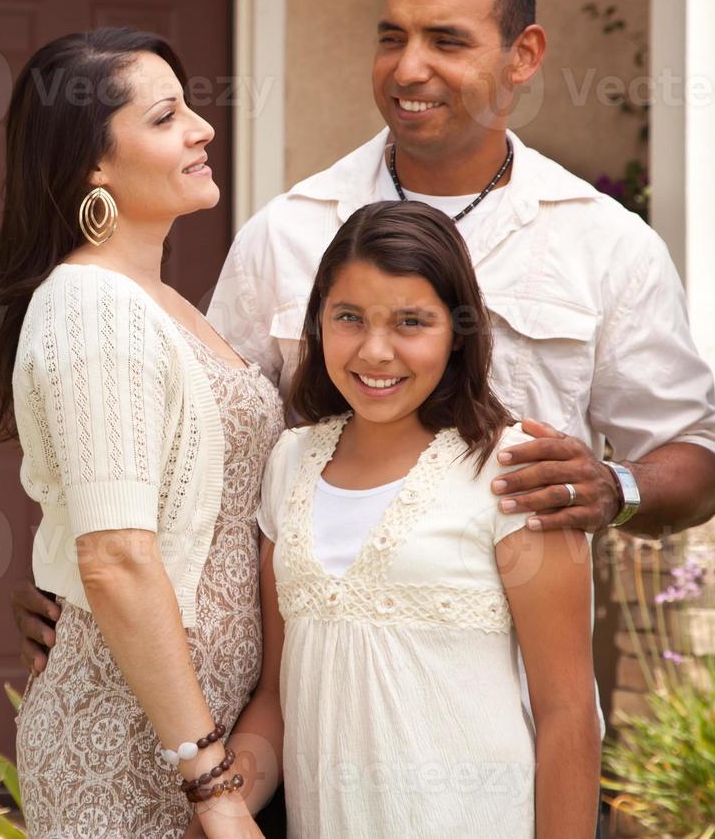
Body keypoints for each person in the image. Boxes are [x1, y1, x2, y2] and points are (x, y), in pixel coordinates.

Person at [12, 0, 715, 680]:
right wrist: (64, 561)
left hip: (515, 711)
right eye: (393, 37)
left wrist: (616, 486)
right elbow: (185, 439)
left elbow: (699, 459)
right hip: (308, 699)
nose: (408, 68)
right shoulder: (287, 232)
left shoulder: (606, 247)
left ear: (524, 56)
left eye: (446, 42)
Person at [0, 27, 282, 837]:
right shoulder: (90, 304)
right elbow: (113, 557)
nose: (202, 129)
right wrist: (210, 784)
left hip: (199, 737)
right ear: (93, 165)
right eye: (165, 117)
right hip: (132, 741)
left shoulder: (165, 303)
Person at [222, 201, 601, 837]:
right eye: (349, 318)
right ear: (318, 322)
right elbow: (276, 698)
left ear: (458, 333)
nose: (375, 352)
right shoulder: (289, 464)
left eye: (411, 322)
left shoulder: (515, 471)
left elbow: (567, 712)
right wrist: (219, 804)